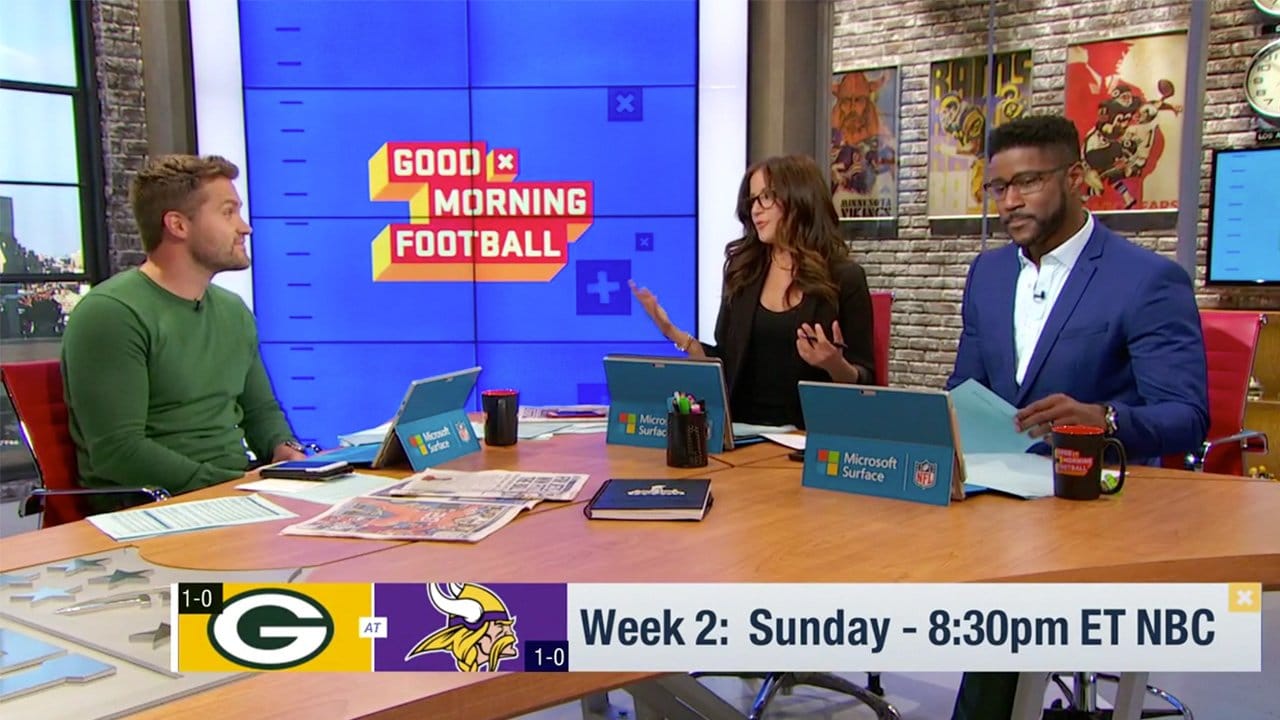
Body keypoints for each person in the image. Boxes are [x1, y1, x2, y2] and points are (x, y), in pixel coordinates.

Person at [945, 115, 1208, 720]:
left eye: (1027, 183)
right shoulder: (987, 274)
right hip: (995, 498)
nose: (1010, 201)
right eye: (998, 187)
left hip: (1095, 506)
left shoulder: (1145, 280)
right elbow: (966, 388)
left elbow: (1188, 417)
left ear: (1075, 177)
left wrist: (1102, 418)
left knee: (1007, 625)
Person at [61, 154, 307, 506]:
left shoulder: (232, 310)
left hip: (232, 493)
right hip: (153, 507)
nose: (245, 228)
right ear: (177, 225)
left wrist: (285, 450)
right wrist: (230, 486)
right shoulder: (112, 314)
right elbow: (118, 451)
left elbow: (260, 411)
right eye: (228, 213)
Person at [630, 154, 876, 429]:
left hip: (808, 435)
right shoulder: (743, 272)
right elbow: (725, 363)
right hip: (742, 434)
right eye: (752, 200)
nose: (755, 209)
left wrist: (834, 364)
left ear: (799, 198)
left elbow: (867, 385)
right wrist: (672, 332)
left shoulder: (845, 278)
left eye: (766, 197)